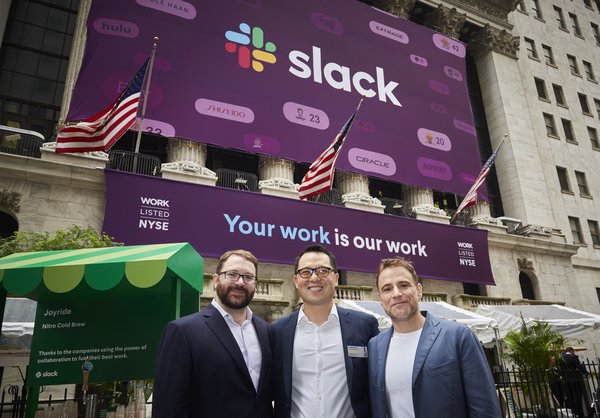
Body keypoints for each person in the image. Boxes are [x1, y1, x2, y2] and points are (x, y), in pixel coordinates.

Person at [368, 257, 502, 418]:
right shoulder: (375, 346)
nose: (396, 293)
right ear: (380, 298)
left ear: (419, 290)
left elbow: (485, 409)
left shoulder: (458, 336)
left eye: (403, 285)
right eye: (387, 289)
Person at [153, 249, 273, 418]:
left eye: (248, 277)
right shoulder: (182, 331)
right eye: (232, 274)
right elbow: (168, 406)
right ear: (216, 280)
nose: (240, 282)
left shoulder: (266, 331)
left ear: (255, 283)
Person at [269, 245, 379, 418]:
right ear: (296, 281)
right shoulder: (277, 332)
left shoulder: (365, 326)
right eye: (306, 272)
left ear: (336, 278)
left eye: (323, 270)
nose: (314, 277)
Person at [560, 346, 588, 418]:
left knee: (570, 397)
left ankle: (572, 413)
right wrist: (586, 372)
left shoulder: (561, 359)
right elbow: (579, 368)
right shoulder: (574, 357)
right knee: (578, 397)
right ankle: (580, 414)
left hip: (566, 381)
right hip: (576, 380)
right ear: (571, 351)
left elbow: (561, 371)